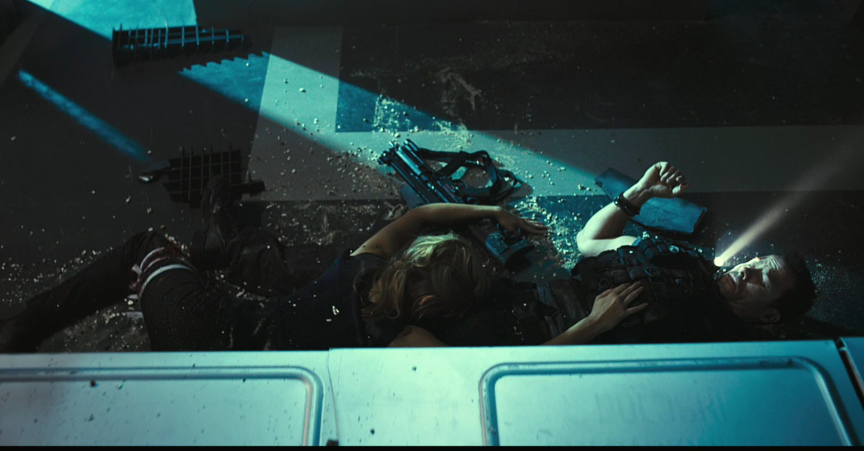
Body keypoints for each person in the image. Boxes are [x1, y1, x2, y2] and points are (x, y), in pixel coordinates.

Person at [0, 176, 646, 352]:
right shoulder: (407, 338)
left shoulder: (365, 262)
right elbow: (506, 370)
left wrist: (487, 210)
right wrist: (592, 325)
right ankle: (215, 251)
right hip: (219, 349)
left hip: (209, 327)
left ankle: (21, 326)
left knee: (145, 247)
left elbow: (421, 217)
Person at [436, 162, 819, 347]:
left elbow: (527, 371)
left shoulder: (717, 347)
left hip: (532, 347)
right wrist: (638, 194)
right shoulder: (684, 261)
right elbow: (589, 241)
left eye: (762, 278)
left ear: (769, 315)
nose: (745, 270)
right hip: (512, 302)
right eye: (752, 263)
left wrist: (595, 324)